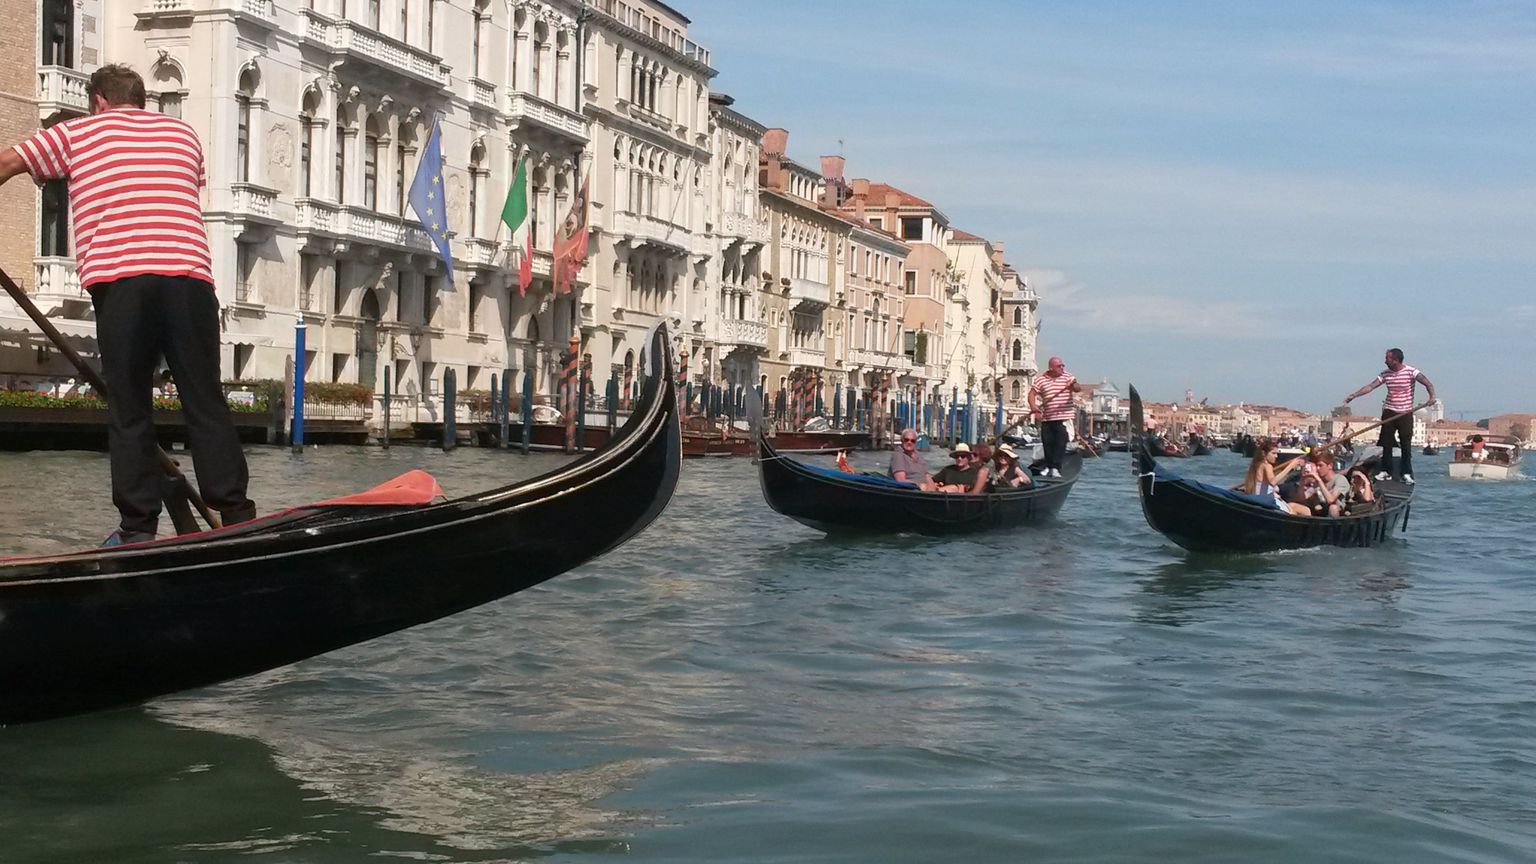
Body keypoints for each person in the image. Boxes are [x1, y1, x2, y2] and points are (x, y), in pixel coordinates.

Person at [0, 64, 256, 545]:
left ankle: (139, 527)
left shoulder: (77, 132)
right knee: (205, 401)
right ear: (141, 100)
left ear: (97, 100)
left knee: (131, 407)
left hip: (124, 282)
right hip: (189, 278)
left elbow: (8, 162)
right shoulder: (184, 134)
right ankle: (238, 515)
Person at [1344, 348, 1436, 484]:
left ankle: (1406, 472)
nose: (1385, 361)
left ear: (1395, 360)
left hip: (1405, 413)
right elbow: (1371, 386)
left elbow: (1427, 383)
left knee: (1406, 444)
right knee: (1386, 443)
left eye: (1387, 358)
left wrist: (1432, 396)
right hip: (1389, 411)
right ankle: (1386, 471)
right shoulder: (1385, 374)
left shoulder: (1411, 372)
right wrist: (1354, 395)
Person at [1028, 356, 1086, 478]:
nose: (1062, 368)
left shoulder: (1068, 377)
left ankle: (1055, 468)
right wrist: (1034, 407)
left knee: (1061, 441)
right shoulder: (1041, 380)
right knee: (1048, 443)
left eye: (1062, 365)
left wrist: (1072, 386)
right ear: (1051, 368)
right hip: (1048, 417)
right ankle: (1049, 466)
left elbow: (1077, 388)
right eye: (1059, 366)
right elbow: (1032, 394)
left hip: (1063, 417)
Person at [1238, 439, 1309, 515]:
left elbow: (1266, 486)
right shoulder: (1267, 466)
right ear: (1264, 453)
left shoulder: (1257, 465)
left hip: (1263, 498)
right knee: (1294, 512)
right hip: (1266, 501)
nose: (1276, 456)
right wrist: (1290, 466)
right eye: (1273, 453)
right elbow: (1272, 482)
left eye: (1277, 453)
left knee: (1303, 509)